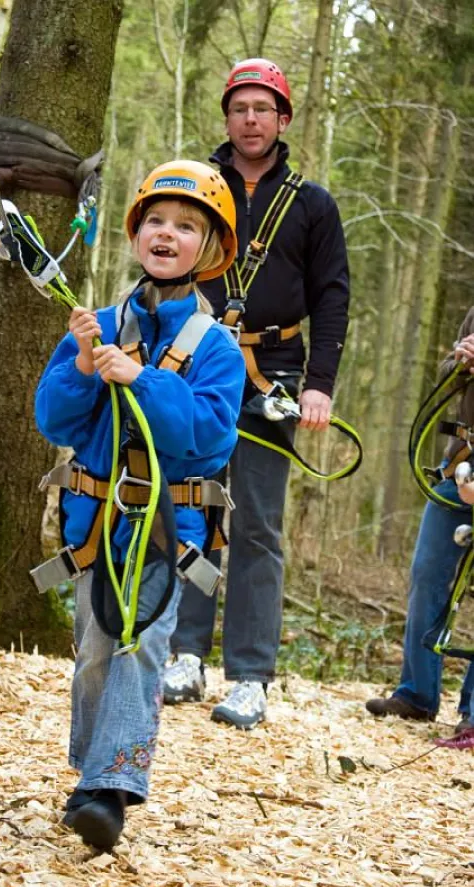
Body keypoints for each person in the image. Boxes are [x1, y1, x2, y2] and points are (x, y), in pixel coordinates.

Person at [35, 160, 245, 851]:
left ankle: (112, 789)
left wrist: (146, 380)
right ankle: (90, 770)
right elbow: (55, 422)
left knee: (140, 644)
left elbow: (209, 439)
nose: (167, 233)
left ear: (208, 249)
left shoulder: (215, 347)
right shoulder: (94, 326)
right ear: (134, 236)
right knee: (96, 648)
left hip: (166, 529)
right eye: (156, 221)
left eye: (186, 226)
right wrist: (83, 369)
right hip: (96, 525)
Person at [164, 58, 350, 730]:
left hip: (275, 368)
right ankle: (184, 652)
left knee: (260, 525)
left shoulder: (311, 204)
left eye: (262, 108)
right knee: (192, 507)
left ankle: (249, 675)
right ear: (227, 116)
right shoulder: (195, 188)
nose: (250, 119)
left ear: (284, 119)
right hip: (194, 361)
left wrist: (320, 385)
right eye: (240, 107)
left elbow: (333, 295)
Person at [366, 310, 474, 734]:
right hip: (459, 464)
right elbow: (446, 375)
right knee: (427, 573)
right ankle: (416, 693)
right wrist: (460, 361)